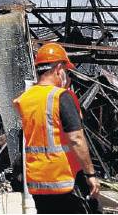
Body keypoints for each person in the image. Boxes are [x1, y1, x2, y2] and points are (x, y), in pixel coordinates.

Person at [13, 42, 101, 214]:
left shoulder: (25, 99)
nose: (66, 75)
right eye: (66, 71)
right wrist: (90, 175)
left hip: (38, 184)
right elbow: (76, 139)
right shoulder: (61, 97)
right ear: (59, 68)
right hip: (64, 182)